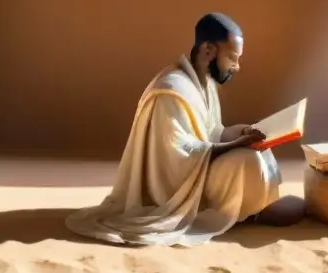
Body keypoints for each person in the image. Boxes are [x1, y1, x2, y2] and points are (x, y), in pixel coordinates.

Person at [65, 13, 304, 246]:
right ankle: (250, 213)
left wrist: (242, 132)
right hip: (178, 185)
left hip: (200, 168)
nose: (237, 66)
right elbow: (178, 157)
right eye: (232, 58)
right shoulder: (171, 89)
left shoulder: (205, 82)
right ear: (209, 50)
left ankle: (257, 206)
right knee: (247, 160)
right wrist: (235, 145)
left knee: (260, 148)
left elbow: (212, 132)